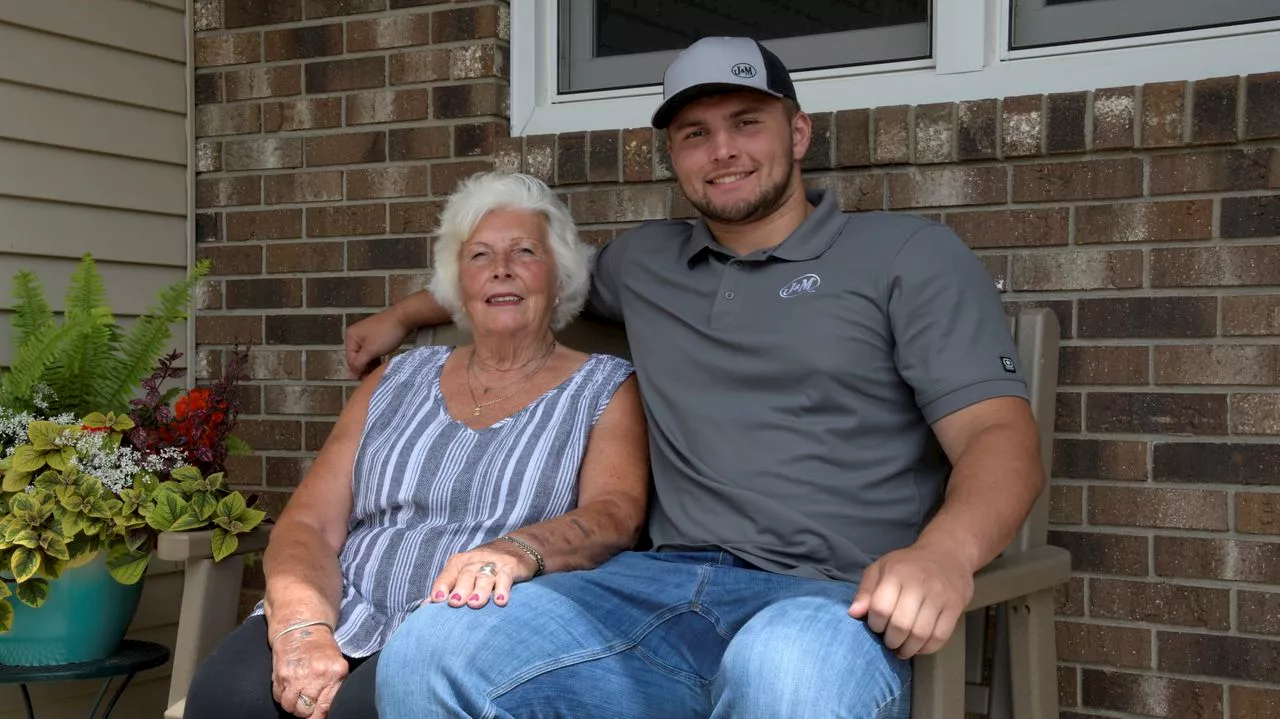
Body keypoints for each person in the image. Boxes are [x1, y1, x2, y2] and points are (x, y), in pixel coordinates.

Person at [359, 37, 1046, 718]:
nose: (722, 150)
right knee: (435, 643)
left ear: (798, 132)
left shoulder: (906, 257)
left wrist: (944, 555)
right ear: (675, 157)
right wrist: (402, 314)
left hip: (830, 601)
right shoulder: (646, 263)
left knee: (780, 667)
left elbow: (997, 433)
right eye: (695, 133)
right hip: (649, 593)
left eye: (747, 122)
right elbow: (526, 281)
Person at [183, 172, 649, 719]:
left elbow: (615, 515)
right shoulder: (396, 377)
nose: (501, 268)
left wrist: (516, 551)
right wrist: (302, 628)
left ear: (561, 274)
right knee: (226, 699)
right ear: (457, 282)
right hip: (346, 606)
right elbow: (309, 522)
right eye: (479, 255)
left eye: (524, 251)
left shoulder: (604, 386)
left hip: (467, 622)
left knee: (367, 709)